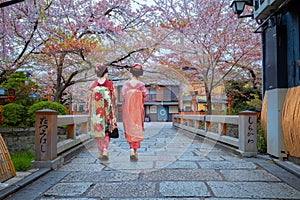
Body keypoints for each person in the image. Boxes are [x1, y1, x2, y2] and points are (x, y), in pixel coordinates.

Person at [87, 63, 117, 161]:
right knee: (107, 131)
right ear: (105, 72)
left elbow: (89, 98)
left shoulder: (93, 85)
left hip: (96, 112)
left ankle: (101, 151)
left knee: (98, 131)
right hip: (107, 111)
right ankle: (105, 149)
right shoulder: (110, 84)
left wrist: (89, 110)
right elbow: (114, 98)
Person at [122, 63, 148, 161]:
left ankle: (131, 148)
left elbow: (124, 94)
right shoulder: (141, 85)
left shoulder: (126, 84)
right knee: (137, 127)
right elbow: (145, 94)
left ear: (131, 73)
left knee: (129, 127)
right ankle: (135, 150)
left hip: (128, 108)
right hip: (137, 109)